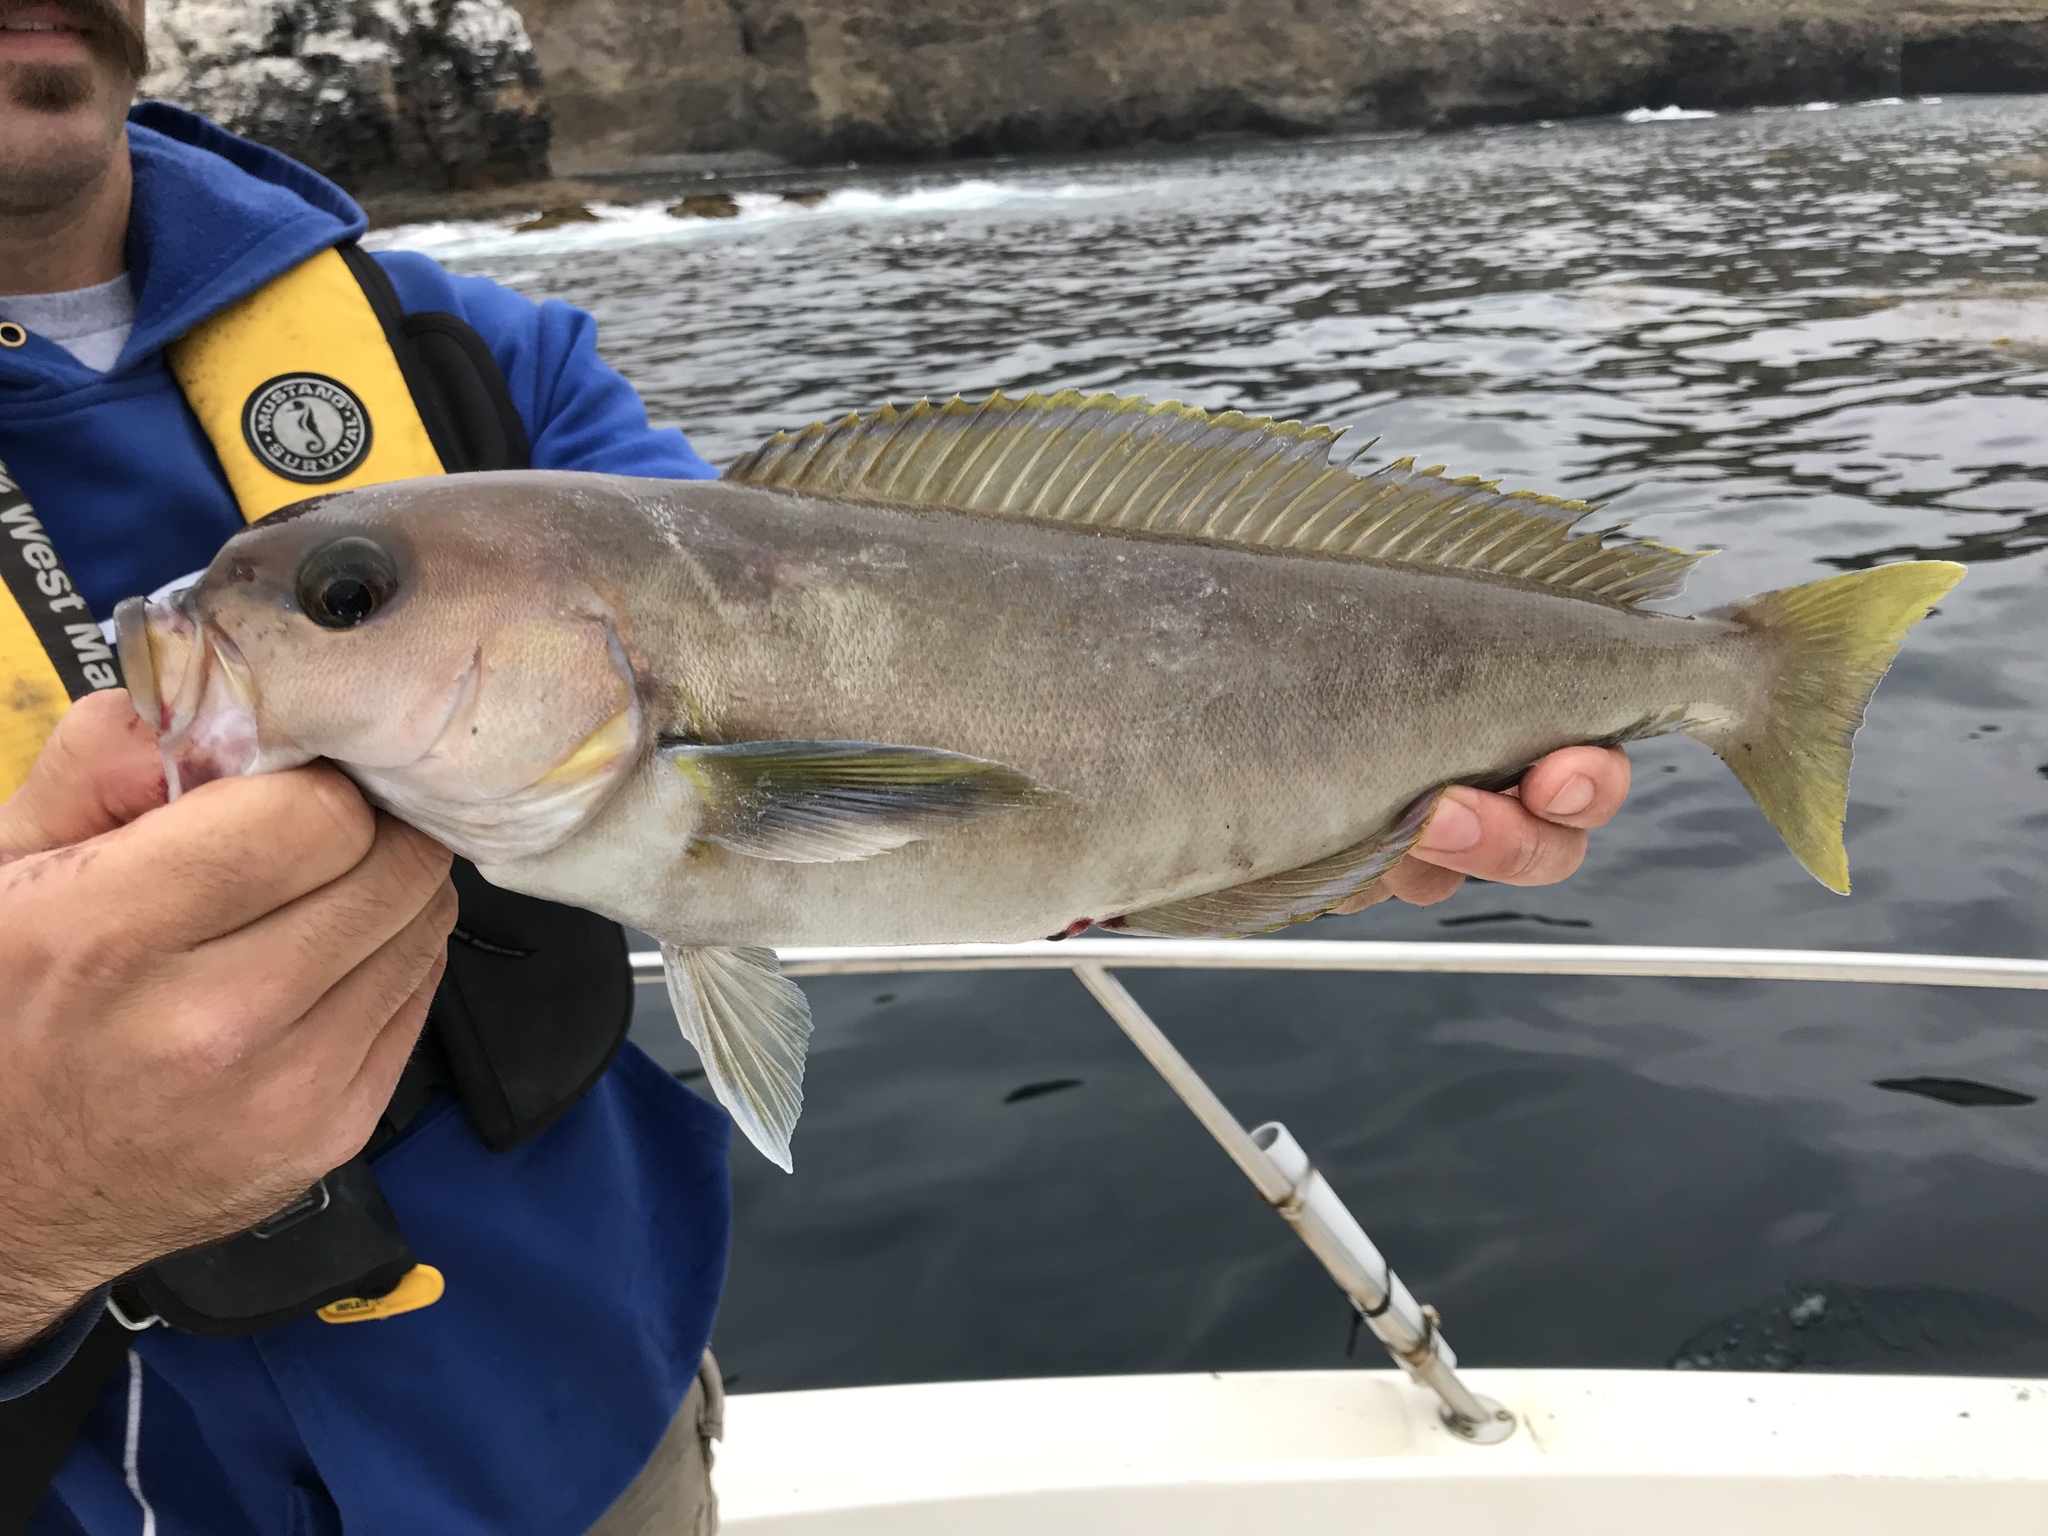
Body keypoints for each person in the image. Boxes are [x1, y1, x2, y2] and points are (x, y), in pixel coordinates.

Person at [0, 2, 1633, 1530]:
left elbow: (878, 672)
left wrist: (1261, 818)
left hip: (589, 1393)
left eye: (350, 599)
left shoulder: (476, 361)